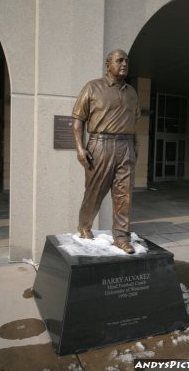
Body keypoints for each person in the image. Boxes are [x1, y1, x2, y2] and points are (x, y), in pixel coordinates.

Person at [72, 49, 140, 254]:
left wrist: (135, 148)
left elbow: (135, 123)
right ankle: (84, 226)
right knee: (94, 192)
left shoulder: (132, 92)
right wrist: (79, 147)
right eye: (119, 60)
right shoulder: (92, 87)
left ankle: (121, 236)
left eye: (127, 61)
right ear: (108, 64)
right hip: (100, 145)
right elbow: (78, 120)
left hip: (126, 146)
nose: (124, 64)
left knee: (124, 194)